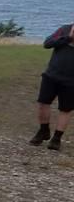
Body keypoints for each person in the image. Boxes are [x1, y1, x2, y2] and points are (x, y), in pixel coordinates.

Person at [32, 21, 74, 150]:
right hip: (51, 75)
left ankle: (56, 138)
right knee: (43, 103)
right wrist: (67, 38)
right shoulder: (64, 29)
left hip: (71, 81)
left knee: (65, 109)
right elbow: (47, 43)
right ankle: (43, 130)